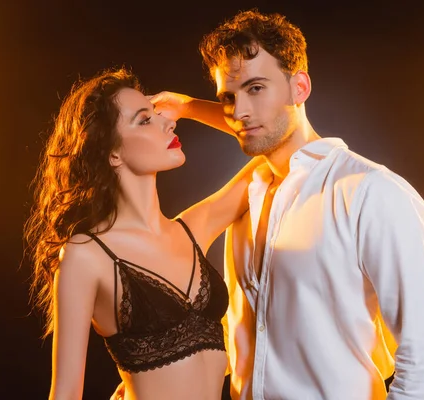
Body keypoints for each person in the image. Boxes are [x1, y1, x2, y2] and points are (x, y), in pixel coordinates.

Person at [141, 9, 424, 400]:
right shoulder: (249, 194)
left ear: (299, 88)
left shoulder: (370, 193)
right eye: (228, 97)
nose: (239, 111)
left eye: (255, 88)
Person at [24, 67, 263, 400]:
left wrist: (190, 106)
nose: (169, 123)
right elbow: (65, 394)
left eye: (158, 114)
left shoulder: (194, 228)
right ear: (112, 153)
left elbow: (273, 144)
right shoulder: (86, 254)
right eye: (144, 120)